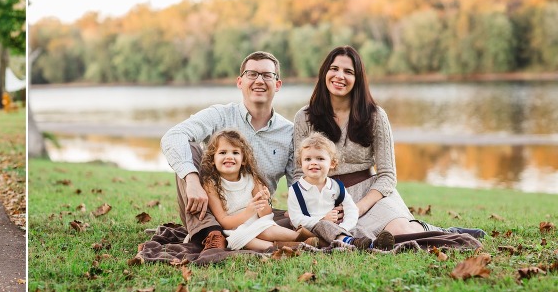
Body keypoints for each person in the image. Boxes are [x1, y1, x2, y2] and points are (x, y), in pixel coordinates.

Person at [293, 45, 485, 239]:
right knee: (336, 238)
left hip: (370, 194)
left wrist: (359, 207)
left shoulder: (375, 116)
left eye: (348, 71)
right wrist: (312, 204)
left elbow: (387, 175)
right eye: (334, 69)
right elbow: (299, 172)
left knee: (399, 233)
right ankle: (426, 228)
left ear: (357, 79)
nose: (339, 76)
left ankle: (440, 232)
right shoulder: (304, 117)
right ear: (324, 72)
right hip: (324, 197)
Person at [161, 51, 302, 251]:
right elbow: (173, 136)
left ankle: (277, 240)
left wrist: (300, 209)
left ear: (277, 84)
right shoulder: (219, 115)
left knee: (294, 223)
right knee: (188, 146)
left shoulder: (289, 132)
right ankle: (211, 233)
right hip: (207, 208)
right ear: (240, 82)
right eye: (252, 74)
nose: (259, 80)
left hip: (254, 212)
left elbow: (297, 177)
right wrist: (192, 180)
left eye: (267, 75)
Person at [201, 129, 311, 251]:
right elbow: (223, 221)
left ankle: (304, 238)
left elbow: (266, 215)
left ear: (243, 159)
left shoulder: (251, 179)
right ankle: (281, 249)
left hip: (259, 223)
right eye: (222, 152)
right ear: (212, 159)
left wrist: (264, 201)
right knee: (240, 239)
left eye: (235, 153)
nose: (229, 157)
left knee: (267, 229)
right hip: (235, 229)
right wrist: (248, 212)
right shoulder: (211, 185)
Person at [288, 132, 394, 250]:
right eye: (308, 159)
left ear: (332, 163)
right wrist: (322, 219)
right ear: (300, 163)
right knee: (324, 226)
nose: (313, 162)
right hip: (312, 230)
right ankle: (351, 241)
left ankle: (374, 243)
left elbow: (352, 210)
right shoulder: (296, 190)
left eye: (320, 158)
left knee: (359, 228)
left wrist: (344, 227)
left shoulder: (336, 186)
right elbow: (296, 219)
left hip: (338, 227)